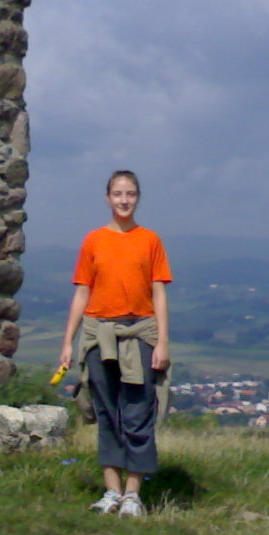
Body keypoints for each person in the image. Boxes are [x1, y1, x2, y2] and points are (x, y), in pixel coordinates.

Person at [57, 170, 172, 517]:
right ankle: (112, 491)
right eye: (118, 194)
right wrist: (68, 341)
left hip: (140, 333)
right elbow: (82, 292)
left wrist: (162, 342)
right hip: (99, 335)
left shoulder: (150, 240)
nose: (124, 200)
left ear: (138, 198)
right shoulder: (93, 241)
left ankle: (133, 494)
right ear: (107, 198)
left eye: (130, 194)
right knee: (106, 413)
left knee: (137, 414)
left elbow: (158, 292)